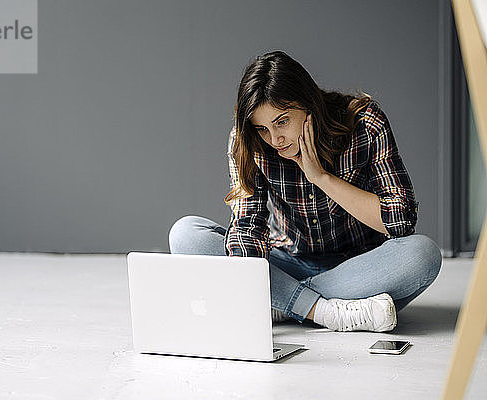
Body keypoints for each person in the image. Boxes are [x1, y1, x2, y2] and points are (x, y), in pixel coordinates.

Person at [168, 50, 442, 332]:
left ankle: (282, 304)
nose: (275, 139)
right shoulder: (247, 142)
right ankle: (324, 311)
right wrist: (250, 278)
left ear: (308, 105)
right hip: (286, 262)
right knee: (187, 234)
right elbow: (248, 227)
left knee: (423, 254)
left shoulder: (364, 124)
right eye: (262, 128)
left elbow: (401, 221)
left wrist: (321, 177)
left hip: (359, 269)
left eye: (282, 121)